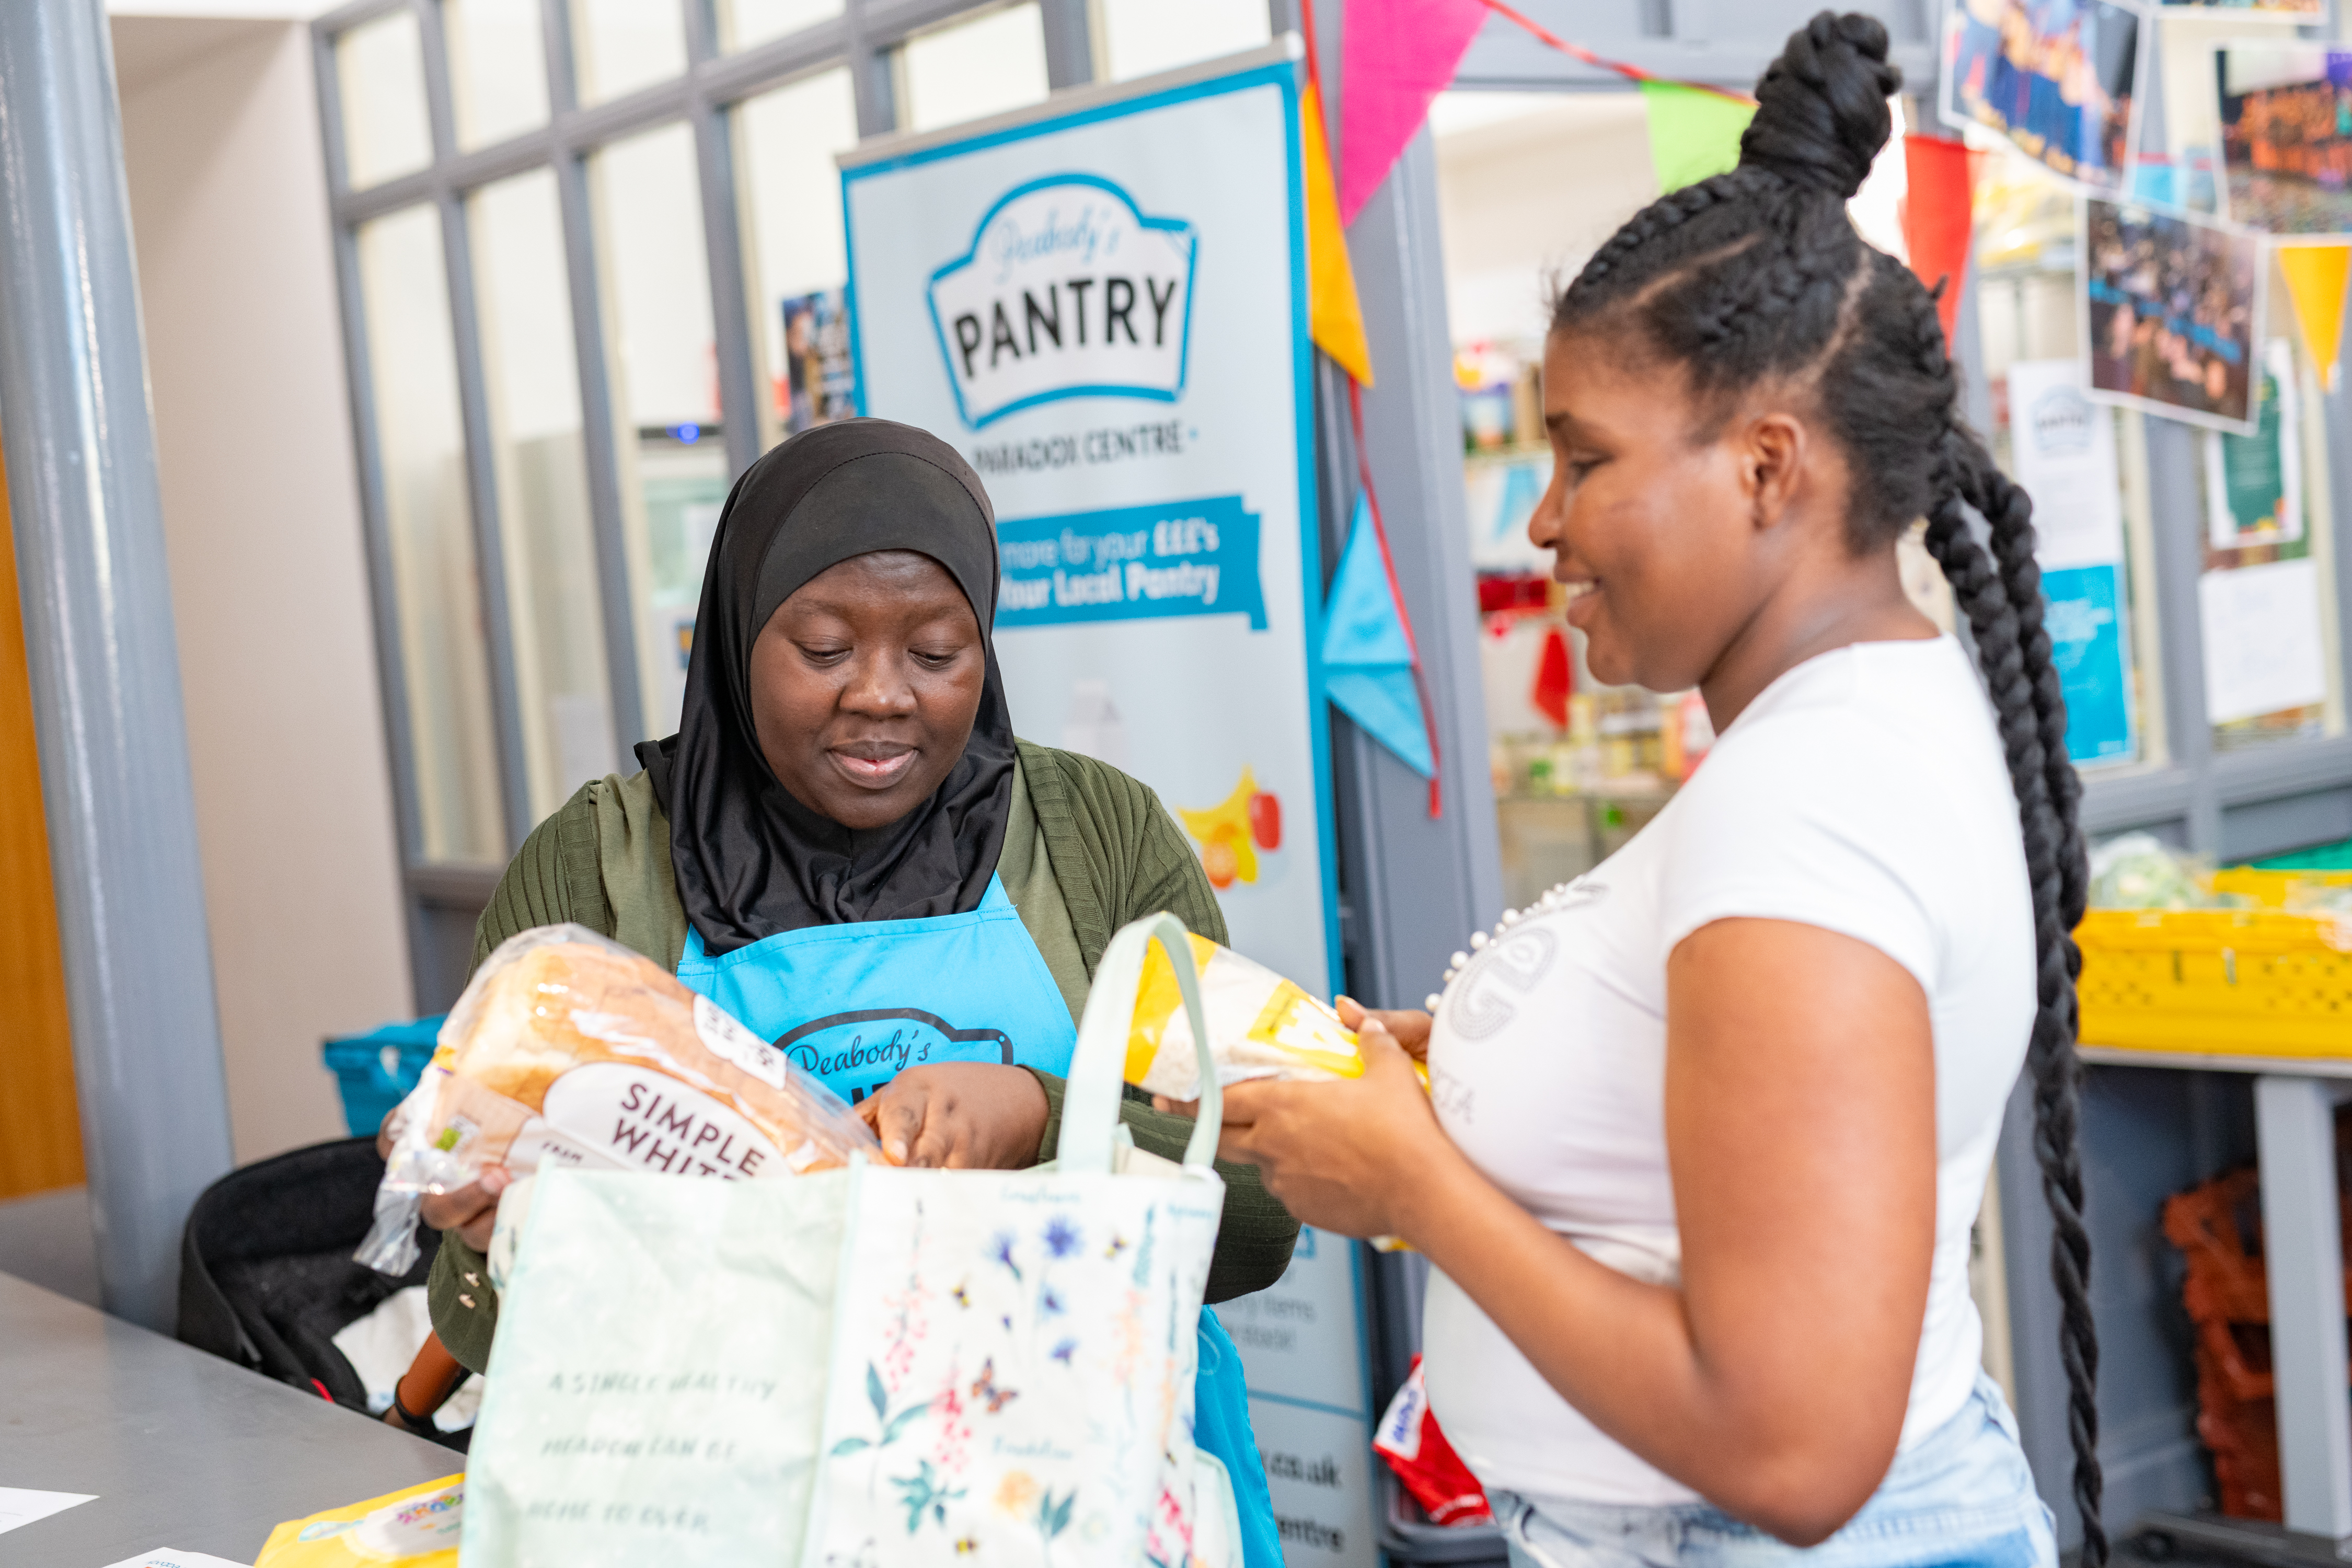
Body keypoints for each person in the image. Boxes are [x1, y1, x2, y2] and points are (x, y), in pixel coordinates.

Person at [1198, 16, 2098, 1567]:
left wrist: (1413, 1178)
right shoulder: (1844, 729)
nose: (1540, 519)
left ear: (1765, 468)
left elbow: (1793, 1449)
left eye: (1583, 458)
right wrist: (1473, 1066)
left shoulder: (1807, 802)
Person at [420, 418, 1293, 1565]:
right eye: (825, 647)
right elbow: (477, 1319)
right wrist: (502, 1233)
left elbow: (1262, 1204)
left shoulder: (1099, 838)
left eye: (936, 652)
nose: (882, 697)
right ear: (734, 636)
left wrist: (1040, 1111)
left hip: (1082, 1498)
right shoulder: (594, 872)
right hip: (715, 1512)